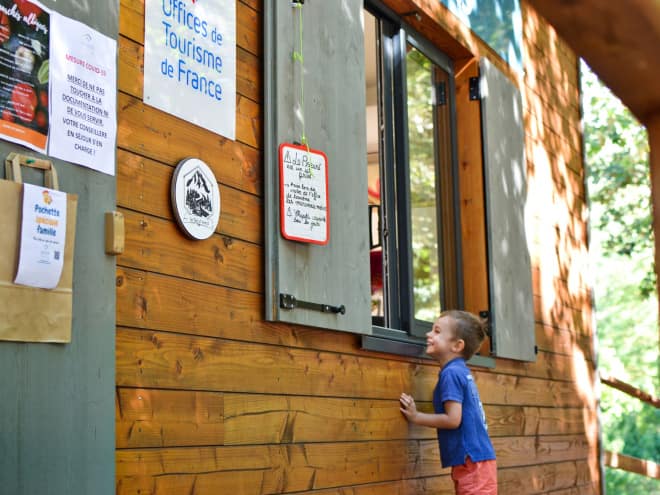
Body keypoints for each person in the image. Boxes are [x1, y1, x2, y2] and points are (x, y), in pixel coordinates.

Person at [399, 310, 497, 494]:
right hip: (476, 460)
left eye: (437, 331)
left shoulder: (451, 374)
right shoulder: (460, 371)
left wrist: (416, 416)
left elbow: (453, 419)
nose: (428, 334)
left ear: (457, 345)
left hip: (472, 461)